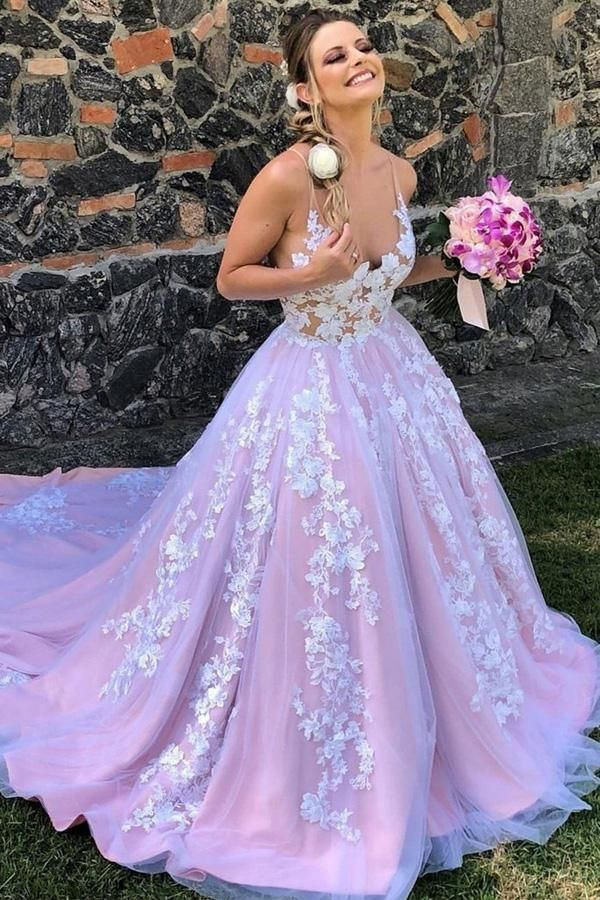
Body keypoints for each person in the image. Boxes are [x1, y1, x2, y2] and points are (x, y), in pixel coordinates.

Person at [1, 8, 599, 900]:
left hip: (393, 375)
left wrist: (468, 259)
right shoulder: (287, 176)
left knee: (426, 543)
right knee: (320, 555)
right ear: (307, 87)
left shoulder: (397, 169)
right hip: (313, 387)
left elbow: (386, 276)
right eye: (335, 54)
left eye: (363, 46)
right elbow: (232, 276)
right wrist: (307, 276)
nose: (359, 59)